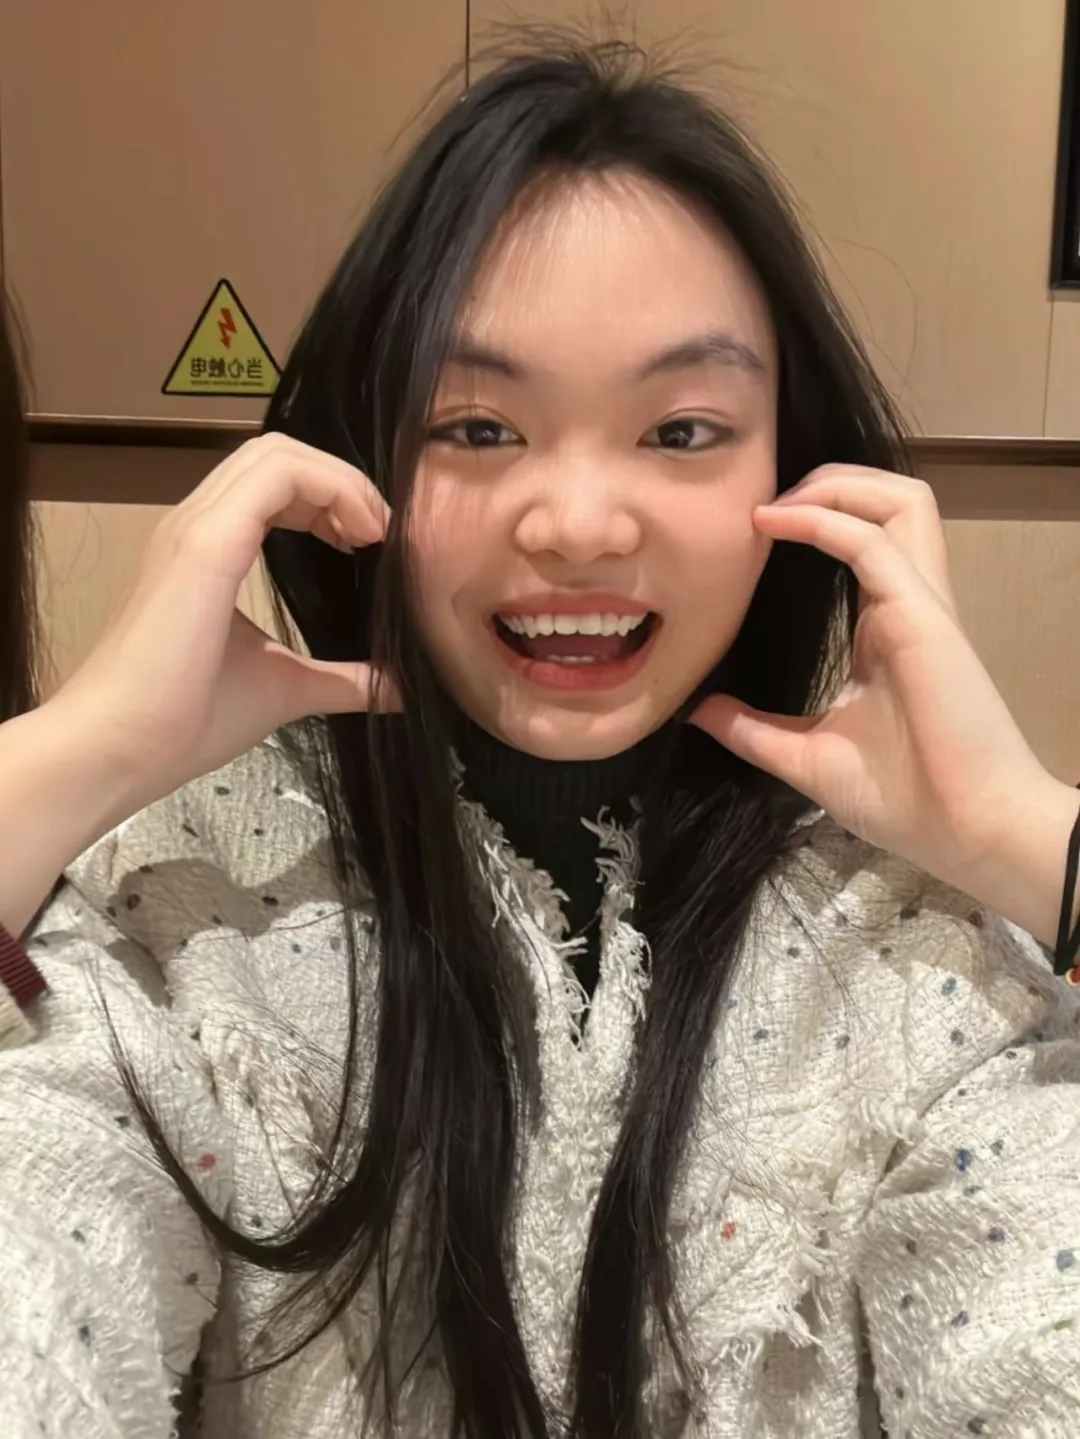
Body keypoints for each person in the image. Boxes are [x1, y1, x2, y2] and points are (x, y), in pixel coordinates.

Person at [2, 39, 1080, 1438]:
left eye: (681, 430)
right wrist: (73, 759)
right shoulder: (178, 916)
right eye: (476, 426)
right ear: (359, 462)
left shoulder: (920, 949)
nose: (576, 525)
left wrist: (1029, 840)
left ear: (799, 471)